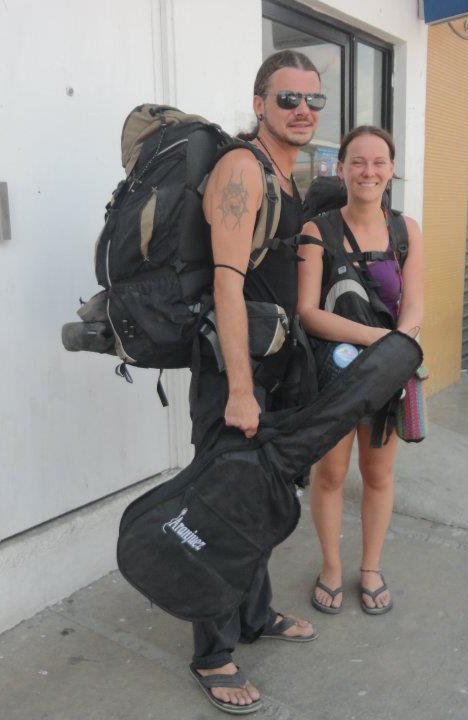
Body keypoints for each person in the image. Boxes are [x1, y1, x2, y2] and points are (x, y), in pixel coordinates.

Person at [188, 50, 323, 714]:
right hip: (233, 375)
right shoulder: (243, 167)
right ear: (259, 104)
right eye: (288, 98)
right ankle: (212, 653)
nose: (302, 110)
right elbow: (226, 282)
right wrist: (240, 388)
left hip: (271, 371)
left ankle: (255, 613)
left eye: (312, 101)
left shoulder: (288, 180)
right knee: (221, 508)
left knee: (260, 500)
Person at [296, 126, 423, 617]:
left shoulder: (406, 230)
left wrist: (394, 349)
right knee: (328, 474)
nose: (368, 171)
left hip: (388, 374)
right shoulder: (317, 231)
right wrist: (379, 341)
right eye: (358, 162)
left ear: (391, 169)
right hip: (335, 374)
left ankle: (370, 567)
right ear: (342, 168)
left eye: (378, 162)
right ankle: (330, 566)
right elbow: (308, 311)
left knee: (379, 475)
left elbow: (416, 306)